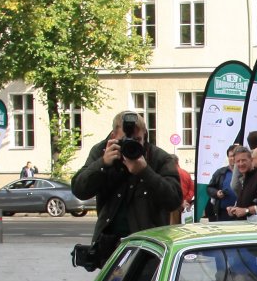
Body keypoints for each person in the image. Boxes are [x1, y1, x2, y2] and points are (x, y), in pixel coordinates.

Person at [71, 111, 182, 266]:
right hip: (110, 248)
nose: (131, 145)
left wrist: (145, 172)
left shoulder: (158, 158)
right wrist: (103, 163)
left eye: (137, 140)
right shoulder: (102, 151)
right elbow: (79, 190)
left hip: (147, 249)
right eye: (124, 140)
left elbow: (174, 200)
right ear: (113, 136)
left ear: (145, 136)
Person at [223, 145, 257, 220]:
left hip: (255, 225)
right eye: (238, 161)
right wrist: (234, 209)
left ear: (251, 160)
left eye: (244, 160)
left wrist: (246, 210)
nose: (241, 164)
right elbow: (246, 204)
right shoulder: (244, 178)